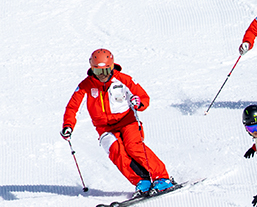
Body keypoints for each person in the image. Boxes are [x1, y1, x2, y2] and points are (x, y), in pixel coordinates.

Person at [61, 49, 174, 194]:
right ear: (91, 69)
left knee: (133, 146)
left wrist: (138, 103)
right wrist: (68, 126)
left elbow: (143, 97)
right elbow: (72, 107)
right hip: (104, 128)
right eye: (98, 71)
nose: (102, 76)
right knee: (116, 151)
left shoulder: (123, 79)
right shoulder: (85, 86)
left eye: (106, 70)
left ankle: (162, 178)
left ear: (112, 66)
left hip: (127, 121)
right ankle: (141, 181)